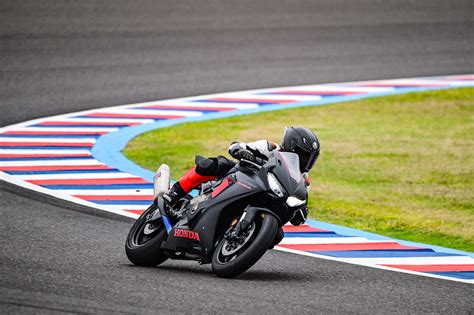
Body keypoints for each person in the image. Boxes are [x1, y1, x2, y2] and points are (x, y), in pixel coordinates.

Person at [163, 126, 320, 227]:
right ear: (291, 146)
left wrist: (300, 210)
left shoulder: (303, 180)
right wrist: (241, 151)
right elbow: (237, 146)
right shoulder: (271, 148)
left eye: (310, 158)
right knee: (217, 164)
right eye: (304, 155)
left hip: (266, 198)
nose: (307, 161)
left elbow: (299, 201)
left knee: (277, 235)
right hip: (240, 179)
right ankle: (174, 194)